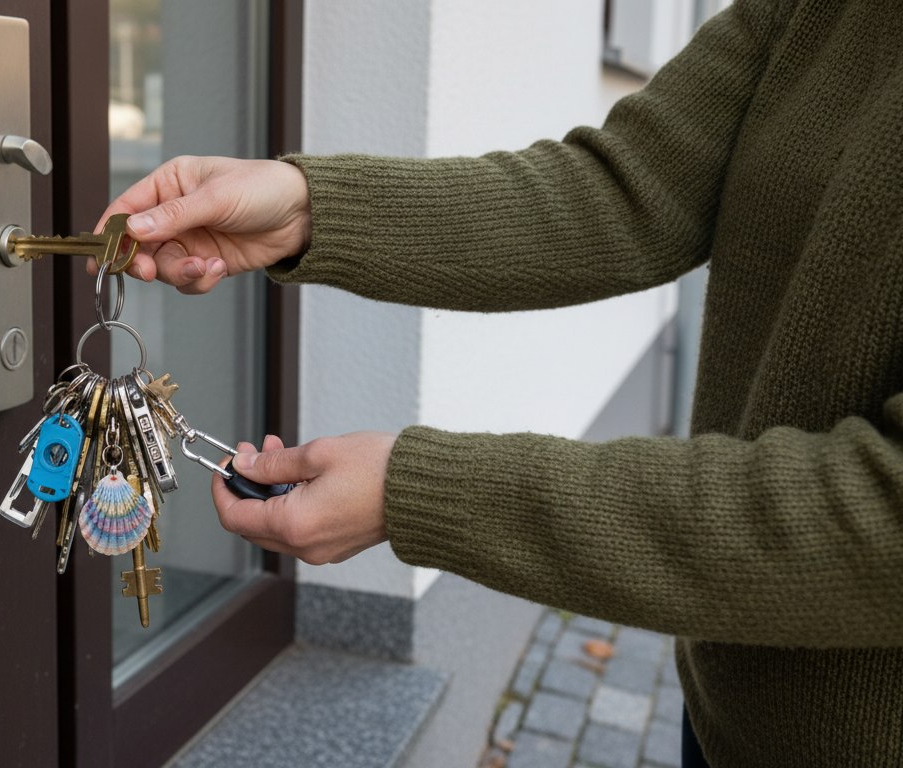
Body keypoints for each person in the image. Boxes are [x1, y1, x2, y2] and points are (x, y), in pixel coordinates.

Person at [97, 1, 903, 766]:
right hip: (731, 721)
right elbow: (624, 192)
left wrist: (413, 494)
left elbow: (880, 510)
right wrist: (310, 209)